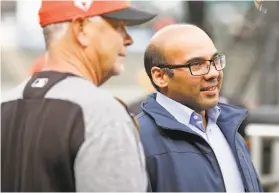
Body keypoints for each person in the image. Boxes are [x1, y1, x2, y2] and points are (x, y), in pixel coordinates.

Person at [1, 0, 156, 192]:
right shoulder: (101, 113)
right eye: (119, 26)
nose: (128, 39)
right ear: (81, 29)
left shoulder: (5, 103)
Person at [137, 24, 263, 192]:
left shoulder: (230, 130)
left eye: (215, 61)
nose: (213, 73)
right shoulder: (137, 140)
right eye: (196, 64)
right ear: (160, 76)